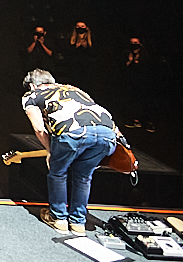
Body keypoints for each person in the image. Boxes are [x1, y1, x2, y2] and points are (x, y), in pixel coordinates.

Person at [21, 68, 118, 235]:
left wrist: (50, 151)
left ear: (31, 85)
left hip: (73, 132)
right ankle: (78, 223)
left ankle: (59, 219)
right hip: (107, 134)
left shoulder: (32, 95)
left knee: (57, 173)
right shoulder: (73, 88)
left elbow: (39, 128)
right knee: (83, 176)